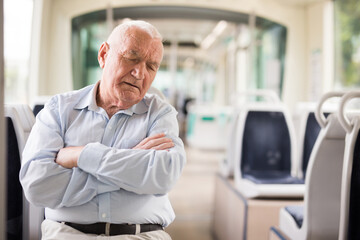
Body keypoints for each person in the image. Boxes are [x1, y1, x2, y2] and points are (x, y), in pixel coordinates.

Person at [20, 20, 186, 240]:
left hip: (141, 235)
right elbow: (37, 185)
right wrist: (132, 168)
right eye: (132, 57)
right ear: (103, 55)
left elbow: (163, 176)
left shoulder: (160, 113)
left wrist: (82, 155)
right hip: (67, 233)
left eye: (151, 66)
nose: (139, 72)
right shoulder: (58, 109)